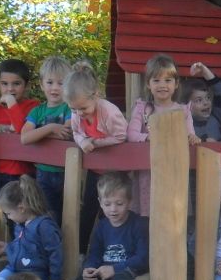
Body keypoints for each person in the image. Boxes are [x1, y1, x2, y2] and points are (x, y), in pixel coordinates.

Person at [56, 171, 149, 280]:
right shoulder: (102, 226)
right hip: (103, 271)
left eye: (119, 204)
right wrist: (89, 268)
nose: (113, 209)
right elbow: (95, 253)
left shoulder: (139, 224)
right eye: (107, 204)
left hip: (127, 271)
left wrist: (115, 269)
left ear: (130, 202)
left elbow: (143, 258)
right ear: (100, 203)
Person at [63, 60, 128, 255]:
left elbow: (121, 136)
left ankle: (111, 253)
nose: (79, 114)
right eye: (74, 110)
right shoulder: (77, 113)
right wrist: (83, 142)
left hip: (115, 171)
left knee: (111, 212)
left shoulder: (109, 112)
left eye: (83, 109)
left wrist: (96, 144)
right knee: (88, 210)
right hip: (95, 170)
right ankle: (81, 252)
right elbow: (76, 133)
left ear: (96, 96)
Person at [127, 54, 201, 216]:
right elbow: (131, 134)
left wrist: (192, 138)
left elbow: (190, 135)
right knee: (150, 214)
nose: (162, 85)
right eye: (156, 80)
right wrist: (146, 137)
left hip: (175, 169)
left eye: (168, 80)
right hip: (149, 171)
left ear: (176, 84)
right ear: (148, 84)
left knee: (174, 213)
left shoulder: (182, 111)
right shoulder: (142, 108)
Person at [20, 56, 73, 226]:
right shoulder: (37, 112)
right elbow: (25, 137)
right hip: (43, 172)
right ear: (42, 84)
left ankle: (68, 251)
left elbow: (66, 133)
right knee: (48, 214)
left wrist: (39, 134)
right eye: (50, 82)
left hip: (67, 171)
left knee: (69, 215)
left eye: (61, 83)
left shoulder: (70, 108)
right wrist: (50, 129)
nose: (55, 88)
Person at [0, 176, 63, 280]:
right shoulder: (19, 224)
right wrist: (7, 248)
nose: (8, 217)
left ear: (21, 208)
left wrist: (55, 278)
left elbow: (55, 253)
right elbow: (22, 248)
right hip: (13, 270)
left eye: (8, 213)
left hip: (35, 275)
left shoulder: (44, 226)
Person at [0, 59, 39, 192]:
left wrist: (11, 103)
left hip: (26, 173)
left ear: (26, 85)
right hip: (2, 171)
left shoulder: (33, 107)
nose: (10, 88)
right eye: (4, 84)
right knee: (9, 211)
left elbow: (20, 129)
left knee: (28, 210)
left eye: (16, 83)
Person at [179, 62, 221, 142]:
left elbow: (220, 91)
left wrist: (205, 72)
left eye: (207, 98)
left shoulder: (216, 116)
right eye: (199, 100)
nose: (206, 103)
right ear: (186, 106)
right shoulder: (185, 126)